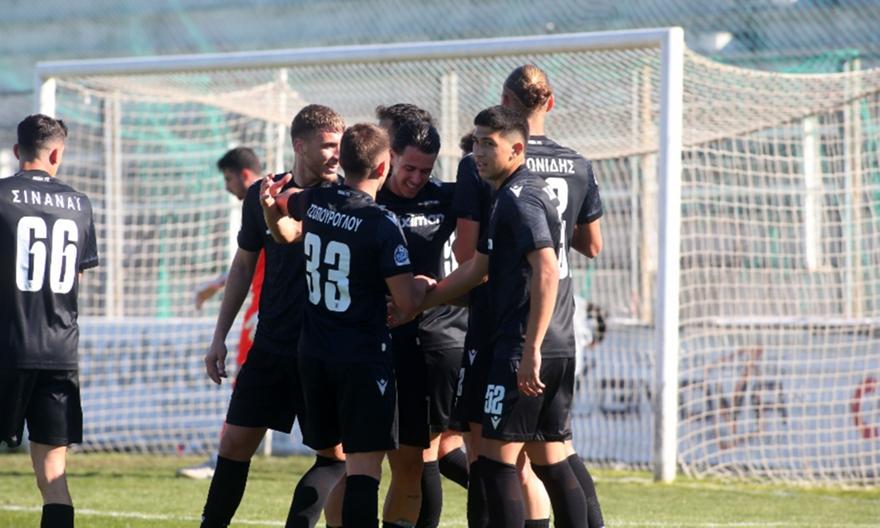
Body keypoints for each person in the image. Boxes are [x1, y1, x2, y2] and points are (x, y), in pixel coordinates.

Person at [397, 105, 589, 527]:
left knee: (497, 463)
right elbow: (478, 268)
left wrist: (530, 348)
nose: (478, 153)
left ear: (517, 149)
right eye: (477, 143)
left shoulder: (521, 198)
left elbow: (547, 268)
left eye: (489, 144)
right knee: (549, 459)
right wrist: (420, 302)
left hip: (523, 345)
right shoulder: (507, 195)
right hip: (548, 341)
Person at [264, 123, 432, 528]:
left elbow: (282, 206)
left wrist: (269, 204)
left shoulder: (317, 199)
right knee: (363, 470)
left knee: (329, 461)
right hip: (361, 359)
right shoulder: (380, 222)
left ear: (344, 161)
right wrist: (426, 286)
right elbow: (407, 302)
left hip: (313, 354)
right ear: (383, 166)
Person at [199, 105, 347, 528]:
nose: (337, 154)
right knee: (233, 444)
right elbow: (243, 264)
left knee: (335, 456)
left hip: (323, 351)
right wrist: (219, 336)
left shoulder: (345, 198)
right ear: (299, 145)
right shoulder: (261, 193)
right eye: (328, 145)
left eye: (340, 145)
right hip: (272, 345)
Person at [502, 63, 605, 528]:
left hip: (514, 320)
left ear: (505, 104)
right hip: (562, 323)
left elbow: (473, 249)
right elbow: (593, 245)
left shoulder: (503, 160)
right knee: (554, 447)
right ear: (552, 102)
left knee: (500, 456)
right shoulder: (578, 163)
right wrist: (558, 231)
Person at [0, 114, 99, 528]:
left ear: (16, 151)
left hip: (7, 346)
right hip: (59, 353)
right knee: (53, 475)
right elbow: (75, 278)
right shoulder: (80, 204)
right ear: (56, 154)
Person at [375, 120, 467, 528]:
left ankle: (512, 500)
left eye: (425, 171)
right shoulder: (368, 198)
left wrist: (430, 293)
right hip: (373, 344)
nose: (416, 179)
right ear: (390, 157)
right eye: (409, 168)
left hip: (430, 343)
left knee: (419, 458)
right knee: (354, 459)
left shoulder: (446, 197)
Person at [178, 147, 264, 480]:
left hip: (264, 314)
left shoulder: (264, 200)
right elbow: (247, 262)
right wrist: (216, 284)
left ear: (244, 174)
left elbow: (249, 263)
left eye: (228, 179)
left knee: (246, 385)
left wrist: (215, 285)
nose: (227, 187)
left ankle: (223, 458)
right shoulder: (270, 199)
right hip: (268, 310)